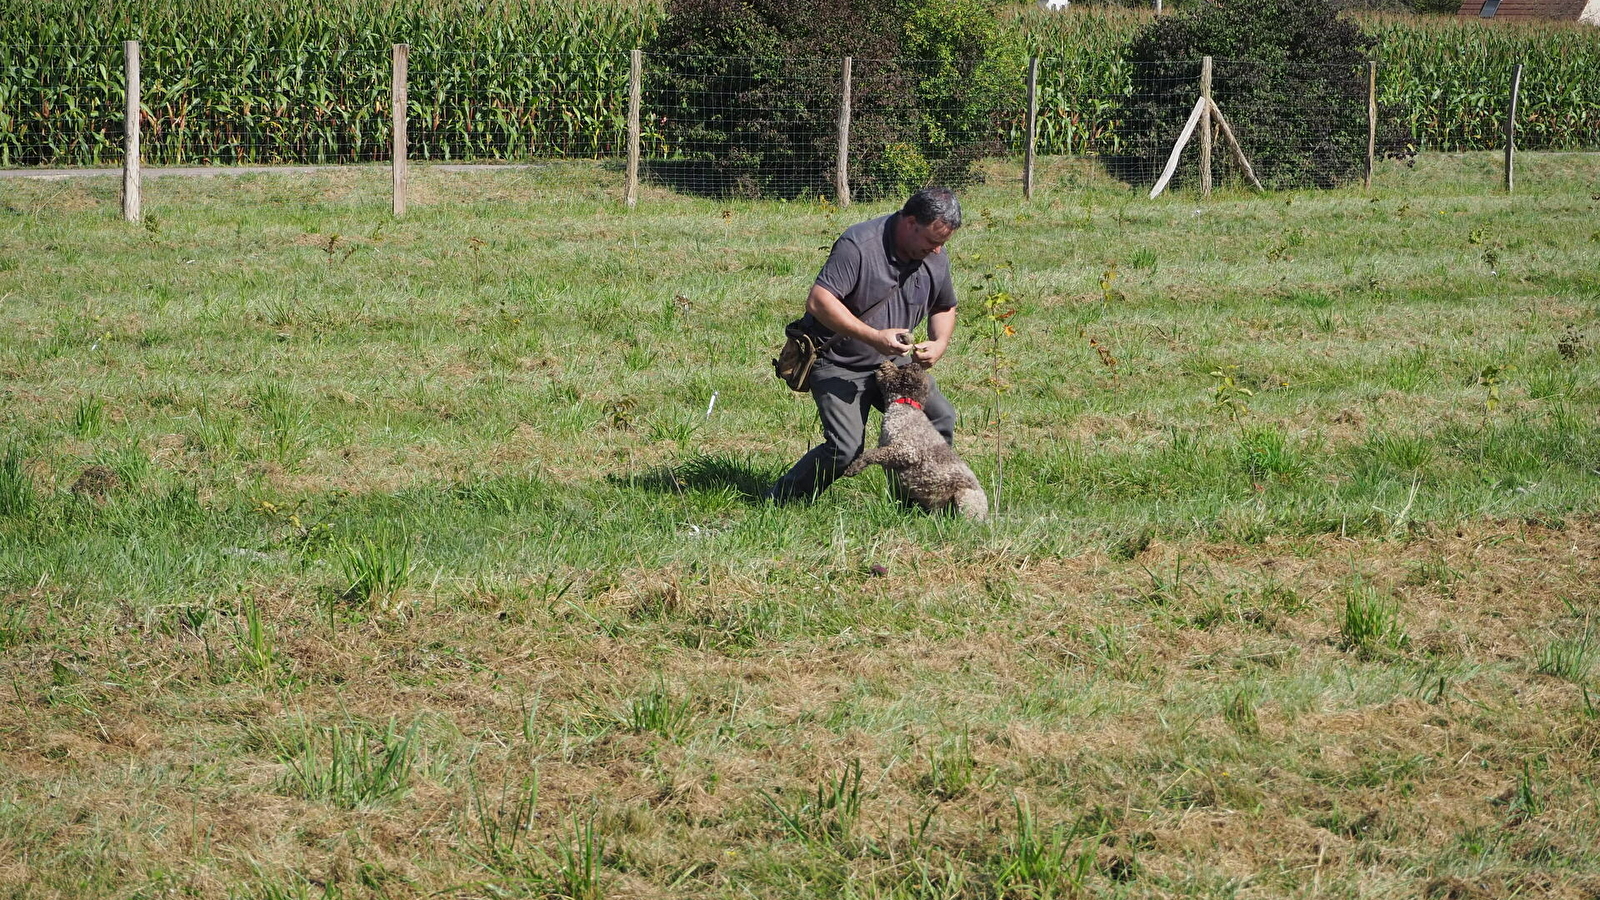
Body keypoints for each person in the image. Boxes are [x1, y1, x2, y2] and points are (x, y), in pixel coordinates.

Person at [765, 186, 963, 503]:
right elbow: (819, 301)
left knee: (938, 420)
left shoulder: (933, 254)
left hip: (892, 363)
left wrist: (940, 343)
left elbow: (944, 306)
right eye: (931, 241)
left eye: (942, 244)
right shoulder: (859, 245)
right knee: (844, 447)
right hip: (837, 360)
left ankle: (920, 502)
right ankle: (782, 500)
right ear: (910, 222)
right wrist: (874, 337)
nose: (937, 251)